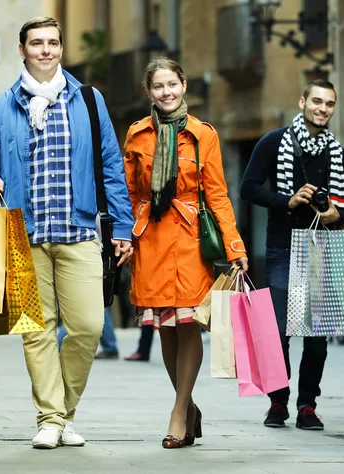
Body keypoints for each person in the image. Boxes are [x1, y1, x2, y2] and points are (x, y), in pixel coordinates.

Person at [0, 17, 134, 449]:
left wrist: (123, 227)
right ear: (22, 50)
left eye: (53, 43)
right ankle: (51, 418)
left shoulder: (89, 101)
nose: (46, 50)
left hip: (79, 230)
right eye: (36, 43)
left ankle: (62, 415)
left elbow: (111, 169)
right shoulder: (0, 108)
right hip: (21, 237)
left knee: (88, 326)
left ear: (62, 49)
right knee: (35, 330)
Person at [123, 57, 248, 449]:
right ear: (149, 92)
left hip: (192, 239)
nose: (166, 92)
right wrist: (125, 237)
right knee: (165, 326)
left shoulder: (202, 135)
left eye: (171, 85)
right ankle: (189, 405)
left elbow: (217, 193)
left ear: (183, 86)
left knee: (188, 322)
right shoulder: (137, 134)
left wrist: (234, 246)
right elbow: (127, 193)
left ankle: (178, 412)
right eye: (158, 87)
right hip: (151, 240)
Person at [240, 80, 344, 431]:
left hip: (321, 247)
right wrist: (286, 200)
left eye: (329, 103)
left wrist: (336, 213)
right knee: (279, 332)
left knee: (317, 334)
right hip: (282, 246)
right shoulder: (274, 142)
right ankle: (277, 401)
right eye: (316, 101)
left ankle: (307, 405)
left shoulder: (337, 152)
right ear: (302, 101)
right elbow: (248, 188)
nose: (322, 108)